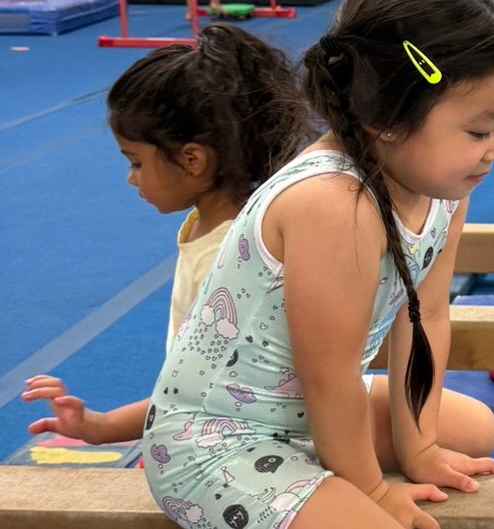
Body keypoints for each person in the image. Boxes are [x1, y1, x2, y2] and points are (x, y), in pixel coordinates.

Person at [130, 0, 494, 529]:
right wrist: (371, 492)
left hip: (290, 421)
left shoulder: (440, 188)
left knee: (467, 430)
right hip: (214, 440)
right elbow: (328, 376)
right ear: (386, 115)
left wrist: (418, 447)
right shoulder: (331, 204)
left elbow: (426, 316)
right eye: (479, 129)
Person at [22, 26, 309, 450]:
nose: (130, 177)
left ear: (192, 159)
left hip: (233, 445)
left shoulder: (229, 258)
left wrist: (105, 426)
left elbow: (204, 396)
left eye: (136, 162)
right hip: (224, 424)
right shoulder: (215, 227)